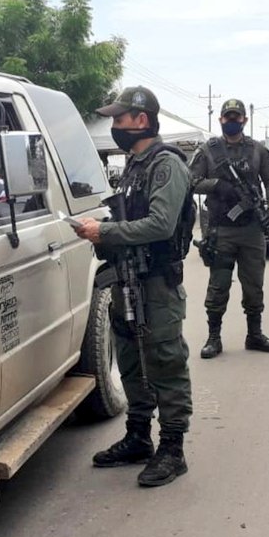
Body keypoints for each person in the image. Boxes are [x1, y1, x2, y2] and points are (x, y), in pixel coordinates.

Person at [72, 86, 193, 487]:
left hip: (156, 283)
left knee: (165, 362)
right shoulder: (135, 166)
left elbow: (161, 224)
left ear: (141, 120)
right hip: (126, 279)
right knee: (130, 359)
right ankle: (138, 436)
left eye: (119, 119)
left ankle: (172, 448)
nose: (114, 126)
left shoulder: (166, 165)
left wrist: (105, 231)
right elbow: (130, 217)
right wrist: (98, 228)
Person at [190, 98, 269, 359]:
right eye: (227, 117)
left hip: (252, 229)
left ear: (244, 120)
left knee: (254, 285)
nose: (232, 121)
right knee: (218, 286)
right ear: (220, 120)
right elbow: (191, 181)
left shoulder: (257, 150)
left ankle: (255, 334)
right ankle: (214, 338)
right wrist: (217, 185)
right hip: (221, 229)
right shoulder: (209, 151)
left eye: (236, 117)